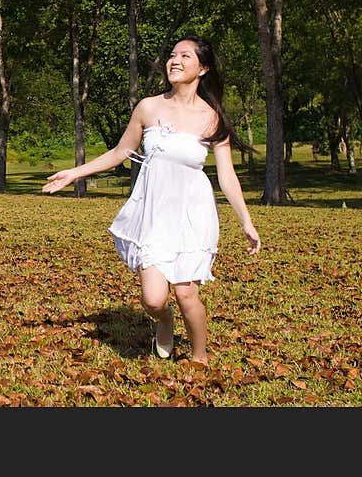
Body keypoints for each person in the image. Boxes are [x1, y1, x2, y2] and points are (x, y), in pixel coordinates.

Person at [42, 35, 261, 365]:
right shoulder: (149, 106)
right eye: (172, 55)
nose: (175, 61)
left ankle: (199, 358)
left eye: (185, 56)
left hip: (192, 214)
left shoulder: (211, 117)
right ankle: (165, 321)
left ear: (202, 68)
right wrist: (74, 173)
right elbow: (120, 153)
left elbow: (227, 176)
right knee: (153, 299)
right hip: (154, 215)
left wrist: (246, 220)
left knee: (188, 294)